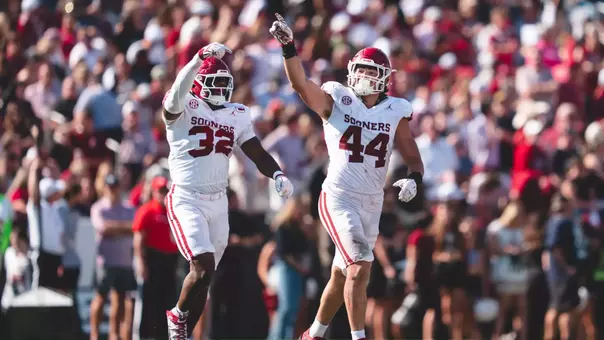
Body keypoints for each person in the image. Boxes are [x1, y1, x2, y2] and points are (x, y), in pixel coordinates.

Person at [269, 14, 424, 340]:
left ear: (385, 79)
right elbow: (301, 85)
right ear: (351, 72)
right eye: (361, 70)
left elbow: (411, 154)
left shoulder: (396, 109)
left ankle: (313, 334)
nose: (366, 76)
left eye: (372, 72)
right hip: (339, 196)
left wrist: (414, 178)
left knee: (342, 275)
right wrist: (288, 48)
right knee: (359, 268)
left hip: (372, 202)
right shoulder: (338, 99)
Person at [161, 42, 294, 339]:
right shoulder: (183, 106)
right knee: (203, 264)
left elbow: (256, 152)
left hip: (218, 201)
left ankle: (181, 334)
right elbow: (177, 95)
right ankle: (178, 315)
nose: (221, 88)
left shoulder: (236, 113)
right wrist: (197, 59)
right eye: (214, 82)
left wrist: (276, 173)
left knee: (205, 280)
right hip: (187, 197)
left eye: (225, 82)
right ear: (197, 83)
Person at [132, 176, 179, 340]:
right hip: (153, 260)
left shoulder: (171, 211)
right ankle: (145, 335)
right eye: (160, 191)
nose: (163, 194)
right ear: (153, 191)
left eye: (165, 191)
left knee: (168, 301)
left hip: (170, 261)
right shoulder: (147, 210)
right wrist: (141, 262)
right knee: (150, 302)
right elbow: (139, 240)